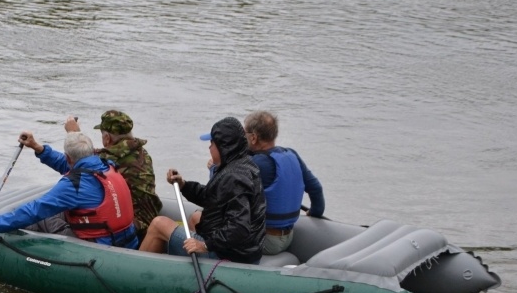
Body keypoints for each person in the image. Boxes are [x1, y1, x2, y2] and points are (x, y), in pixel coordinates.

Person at [0, 132, 139, 249]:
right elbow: (68, 164)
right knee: (56, 210)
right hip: (126, 240)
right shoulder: (105, 166)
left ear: (69, 157)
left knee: (38, 216)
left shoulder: (73, 185)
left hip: (100, 246)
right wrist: (39, 148)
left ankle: (15, 250)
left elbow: (36, 210)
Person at [139, 117, 266, 264]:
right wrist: (183, 185)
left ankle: (133, 275)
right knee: (196, 217)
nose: (209, 148)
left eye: (212, 143)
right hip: (242, 250)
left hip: (230, 256)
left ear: (223, 146)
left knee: (158, 224)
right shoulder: (243, 164)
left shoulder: (234, 177)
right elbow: (211, 197)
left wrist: (204, 245)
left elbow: (239, 228)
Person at [64, 111, 162, 242]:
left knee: (64, 212)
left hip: (134, 227)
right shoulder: (142, 152)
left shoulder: (109, 158)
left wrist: (74, 135)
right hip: (149, 219)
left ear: (107, 138)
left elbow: (82, 160)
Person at [243, 110, 325, 255]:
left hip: (266, 239)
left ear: (254, 137)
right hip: (288, 237)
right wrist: (315, 213)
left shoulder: (256, 164)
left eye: (245, 133)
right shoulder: (291, 154)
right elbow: (316, 189)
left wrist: (214, 167)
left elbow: (225, 191)